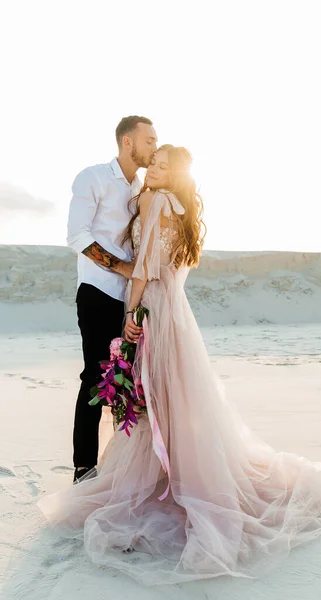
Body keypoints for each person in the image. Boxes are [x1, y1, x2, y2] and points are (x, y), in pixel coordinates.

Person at [38, 144, 321, 585]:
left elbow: (143, 271)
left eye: (159, 165)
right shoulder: (180, 206)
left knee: (158, 396)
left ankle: (162, 481)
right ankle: (176, 472)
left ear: (172, 175)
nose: (151, 170)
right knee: (176, 397)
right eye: (150, 162)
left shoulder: (156, 201)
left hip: (154, 308)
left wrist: (131, 317)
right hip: (177, 310)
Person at [66, 116, 157, 483]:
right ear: (127, 142)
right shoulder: (94, 177)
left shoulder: (141, 186)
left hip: (130, 300)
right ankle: (84, 467)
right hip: (98, 292)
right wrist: (122, 269)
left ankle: (122, 464)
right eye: (148, 140)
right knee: (94, 376)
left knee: (125, 381)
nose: (153, 146)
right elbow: (77, 235)